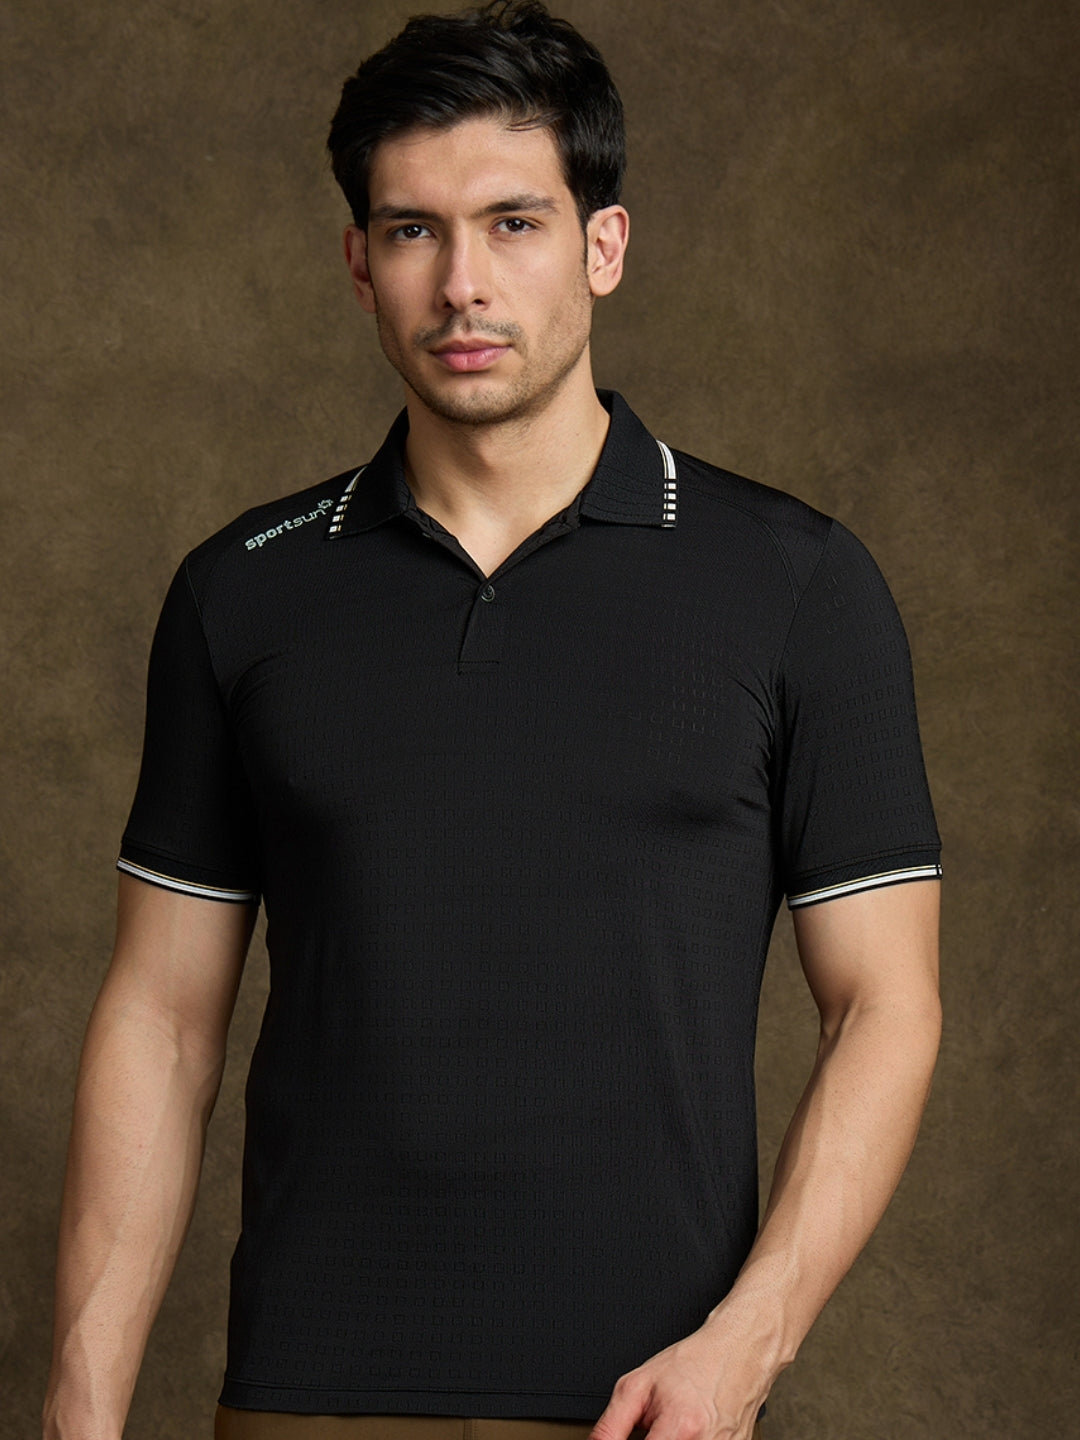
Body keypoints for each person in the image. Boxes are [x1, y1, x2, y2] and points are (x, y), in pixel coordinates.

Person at [42, 3, 943, 1439]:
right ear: (359, 264)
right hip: (307, 1399)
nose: (462, 284)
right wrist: (79, 1414)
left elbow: (884, 1005)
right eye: (414, 231)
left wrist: (745, 1348)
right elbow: (160, 1021)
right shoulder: (243, 591)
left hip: (651, 1407)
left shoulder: (794, 585)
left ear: (604, 245)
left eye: (515, 223)